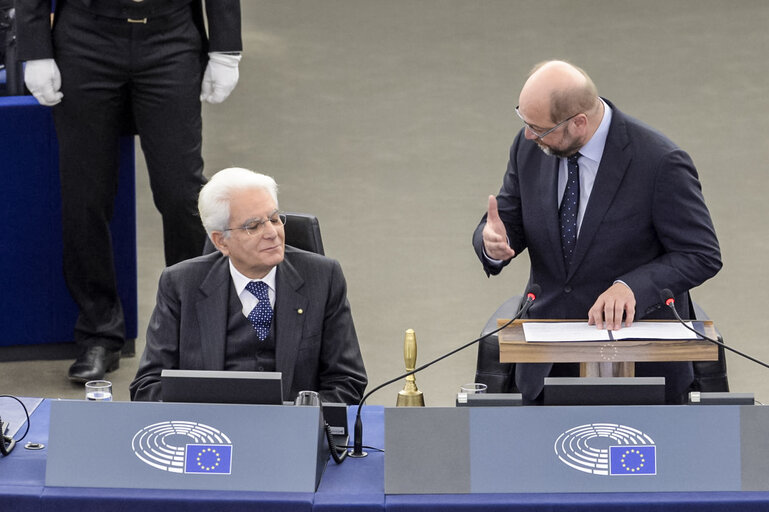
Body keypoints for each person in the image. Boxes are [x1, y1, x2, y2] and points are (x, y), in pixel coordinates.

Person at [16, 0, 242, 382]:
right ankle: (98, 333)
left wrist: (226, 47)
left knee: (182, 193)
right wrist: (35, 48)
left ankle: (193, 332)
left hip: (170, 37)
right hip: (86, 38)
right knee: (85, 195)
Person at [472, 60, 722, 404]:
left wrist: (632, 287)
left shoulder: (659, 161)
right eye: (525, 122)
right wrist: (493, 243)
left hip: (641, 365)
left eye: (540, 129)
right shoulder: (529, 146)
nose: (530, 135)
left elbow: (701, 254)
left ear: (579, 122)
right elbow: (508, 220)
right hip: (546, 364)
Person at [130, 168, 368, 404]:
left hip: (292, 431)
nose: (272, 233)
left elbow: (347, 382)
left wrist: (296, 417)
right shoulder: (181, 285)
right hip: (212, 432)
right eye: (253, 226)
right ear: (221, 241)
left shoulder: (323, 278)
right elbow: (148, 386)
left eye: (274, 219)